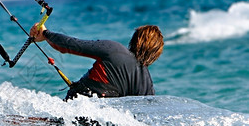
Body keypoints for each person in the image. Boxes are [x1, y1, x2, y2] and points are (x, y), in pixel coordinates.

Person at [30, 23, 164, 100]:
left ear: (135, 40)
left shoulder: (114, 50)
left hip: (77, 114)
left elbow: (70, 45)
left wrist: (46, 34)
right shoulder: (148, 86)